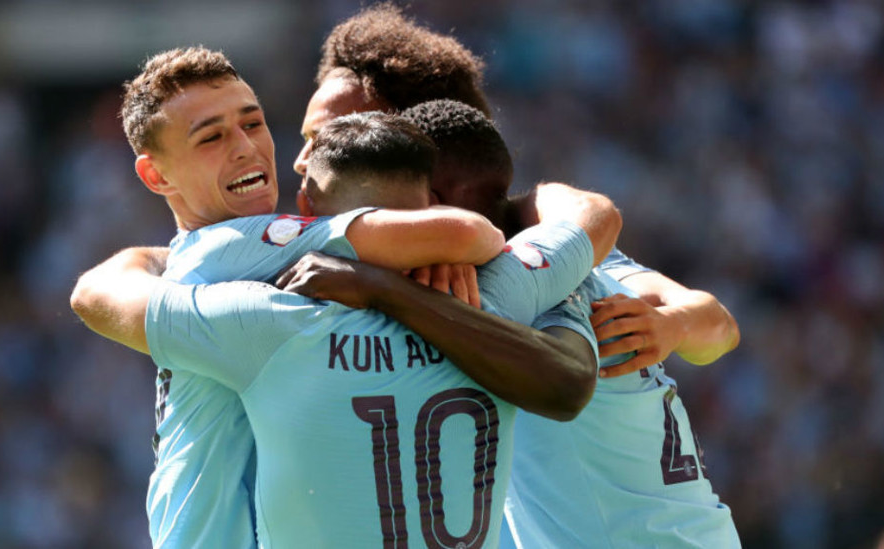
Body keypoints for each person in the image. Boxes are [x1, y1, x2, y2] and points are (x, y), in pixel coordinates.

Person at [72, 46, 623, 547]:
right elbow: (517, 228)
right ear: (154, 175)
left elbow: (92, 293)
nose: (247, 147)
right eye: (211, 137)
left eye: (253, 123)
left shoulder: (263, 318)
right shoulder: (488, 293)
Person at [295, 3, 739, 374]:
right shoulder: (324, 267)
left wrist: (673, 326)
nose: (302, 160)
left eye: (328, 139)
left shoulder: (543, 238)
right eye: (307, 139)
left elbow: (718, 326)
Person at [397, 99, 740, 547]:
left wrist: (672, 324)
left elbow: (722, 327)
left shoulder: (522, 279)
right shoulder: (577, 250)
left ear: (431, 200)